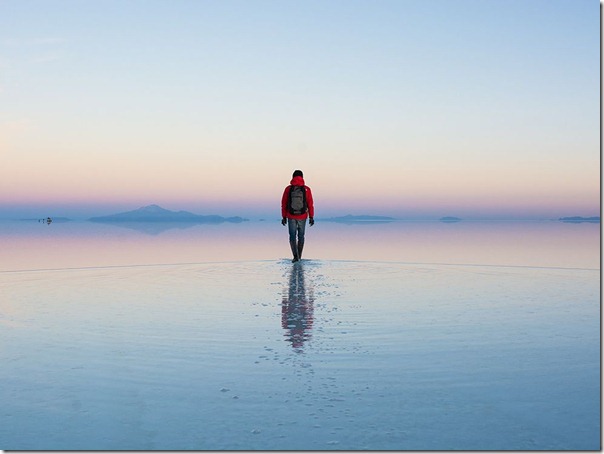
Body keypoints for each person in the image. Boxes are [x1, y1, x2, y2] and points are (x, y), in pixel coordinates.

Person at [281, 170, 314, 263]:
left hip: (291, 216)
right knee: (301, 236)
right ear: (302, 177)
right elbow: (310, 204)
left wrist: (284, 217)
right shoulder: (307, 189)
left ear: (292, 177)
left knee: (292, 236)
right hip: (303, 216)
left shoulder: (288, 189)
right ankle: (299, 256)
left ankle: (295, 256)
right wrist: (311, 217)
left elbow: (284, 203)